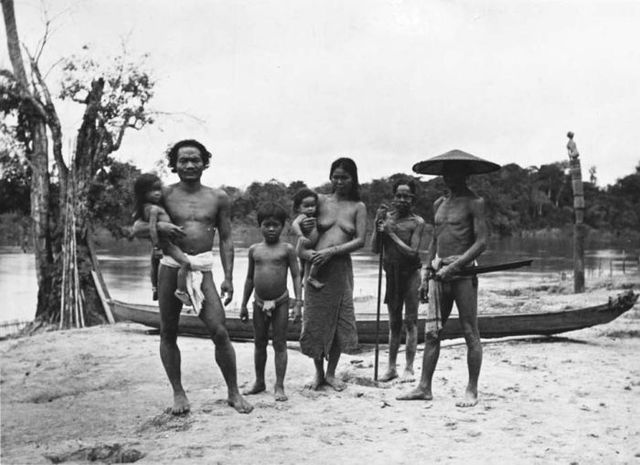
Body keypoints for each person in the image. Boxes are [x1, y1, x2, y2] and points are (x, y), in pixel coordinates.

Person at [132, 139, 253, 415]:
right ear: (174, 165)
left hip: (202, 267)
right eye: (183, 160)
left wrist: (229, 277)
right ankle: (178, 393)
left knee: (220, 330)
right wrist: (161, 224)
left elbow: (226, 239)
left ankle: (233, 393)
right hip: (170, 265)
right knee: (168, 330)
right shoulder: (161, 194)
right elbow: (136, 227)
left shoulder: (218, 197)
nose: (189, 165)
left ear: (205, 162)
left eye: (195, 159)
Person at [398, 149, 499, 407]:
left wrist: (457, 266)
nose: (449, 177)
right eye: (446, 172)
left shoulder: (475, 202)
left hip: (463, 274)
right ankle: (424, 387)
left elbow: (481, 242)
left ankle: (472, 390)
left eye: (455, 172)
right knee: (432, 332)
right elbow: (434, 241)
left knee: (469, 332)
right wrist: (426, 274)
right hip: (438, 273)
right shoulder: (438, 204)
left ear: (465, 174)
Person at [298, 157, 367, 391]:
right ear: (330, 177)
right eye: (335, 176)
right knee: (315, 320)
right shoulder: (319, 200)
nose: (339, 181)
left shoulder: (358, 206)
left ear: (353, 179)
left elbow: (360, 240)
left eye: (345, 177)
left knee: (339, 320)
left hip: (339, 268)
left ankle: (331, 373)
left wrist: (333, 251)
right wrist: (305, 239)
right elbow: (298, 219)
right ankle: (318, 374)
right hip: (316, 268)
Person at [239, 202, 302, 402]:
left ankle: (279, 385)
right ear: (260, 226)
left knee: (280, 343)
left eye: (276, 225)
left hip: (281, 301)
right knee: (259, 342)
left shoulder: (288, 249)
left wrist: (299, 302)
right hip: (258, 302)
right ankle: (259, 381)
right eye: (267, 225)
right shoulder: (254, 250)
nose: (272, 229)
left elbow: (296, 276)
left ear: (283, 226)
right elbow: (249, 278)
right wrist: (243, 304)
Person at [370, 178, 425, 382]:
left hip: (411, 274)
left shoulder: (417, 222)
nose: (402, 199)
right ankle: (391, 368)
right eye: (398, 196)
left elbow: (413, 252)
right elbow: (375, 249)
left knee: (410, 321)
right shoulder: (387, 219)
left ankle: (409, 369)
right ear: (394, 198)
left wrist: (391, 234)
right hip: (391, 274)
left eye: (406, 196)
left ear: (413, 199)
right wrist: (377, 225)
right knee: (394, 323)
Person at [132, 173, 191, 304]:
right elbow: (151, 228)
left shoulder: (156, 205)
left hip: (162, 242)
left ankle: (154, 288)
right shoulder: (152, 208)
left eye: (158, 190)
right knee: (185, 263)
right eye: (152, 191)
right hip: (164, 242)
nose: (157, 193)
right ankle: (181, 291)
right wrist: (156, 246)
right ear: (143, 193)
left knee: (154, 264)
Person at [290, 188, 324, 289]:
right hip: (303, 248)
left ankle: (299, 282)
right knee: (318, 259)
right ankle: (312, 278)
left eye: (312, 206)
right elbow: (294, 224)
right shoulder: (302, 216)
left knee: (303, 267)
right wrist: (300, 235)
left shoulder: (314, 217)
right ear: (298, 208)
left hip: (306, 247)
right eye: (306, 206)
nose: (310, 209)